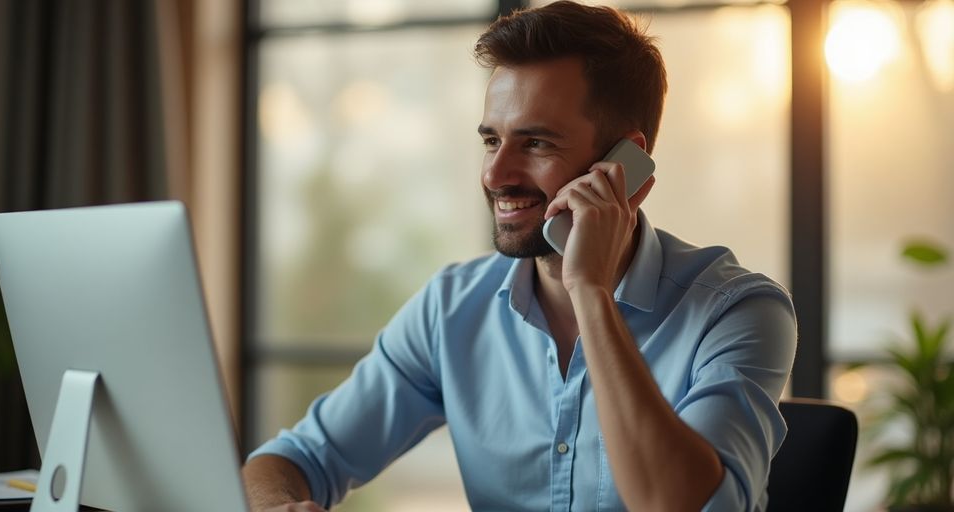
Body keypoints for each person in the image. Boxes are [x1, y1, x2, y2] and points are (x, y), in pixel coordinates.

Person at [242, 2, 797, 511]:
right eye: (491, 140)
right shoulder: (452, 308)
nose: (495, 174)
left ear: (625, 163)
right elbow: (295, 459)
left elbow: (681, 503)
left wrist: (592, 292)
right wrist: (276, 505)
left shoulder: (739, 312)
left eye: (535, 143)